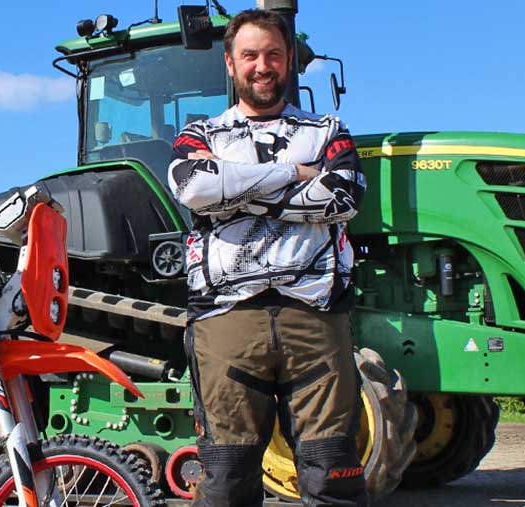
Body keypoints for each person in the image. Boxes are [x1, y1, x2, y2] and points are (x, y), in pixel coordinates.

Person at [168, 9, 367, 507]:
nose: (263, 65)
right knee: (228, 480)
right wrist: (294, 173)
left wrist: (233, 191)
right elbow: (195, 189)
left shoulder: (327, 129)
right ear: (231, 66)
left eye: (273, 54)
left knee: (333, 477)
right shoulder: (201, 134)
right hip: (227, 318)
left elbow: (344, 197)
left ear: (290, 62)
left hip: (315, 316)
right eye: (250, 55)